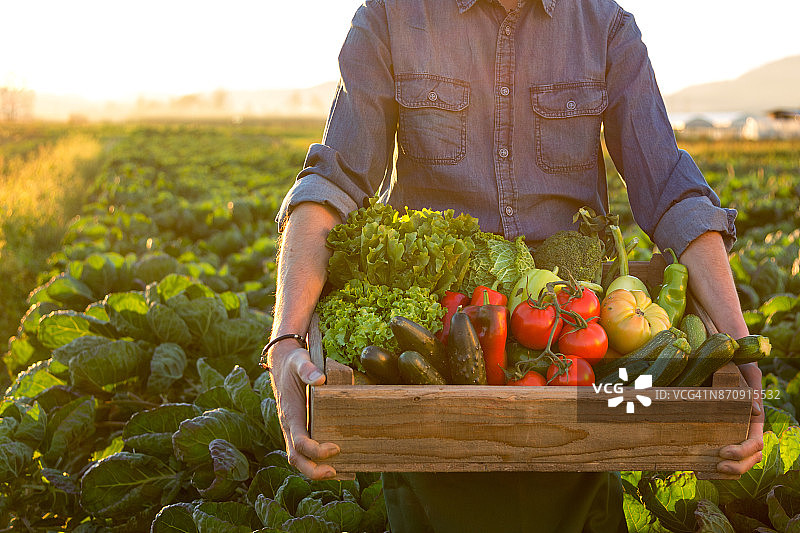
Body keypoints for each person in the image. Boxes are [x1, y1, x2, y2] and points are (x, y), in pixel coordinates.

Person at [264, 0, 764, 531]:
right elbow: (332, 183)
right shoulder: (392, 17)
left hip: (573, 357)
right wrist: (286, 340)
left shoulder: (605, 26)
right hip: (433, 366)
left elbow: (672, 192)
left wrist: (739, 354)